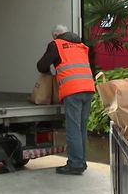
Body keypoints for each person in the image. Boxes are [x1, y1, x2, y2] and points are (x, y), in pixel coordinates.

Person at [37, 24, 95, 175]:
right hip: (88, 88)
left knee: (73, 128)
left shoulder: (56, 44)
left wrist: (48, 72)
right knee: (82, 127)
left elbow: (42, 65)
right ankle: (81, 162)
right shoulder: (81, 45)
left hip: (72, 90)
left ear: (56, 36)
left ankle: (75, 164)